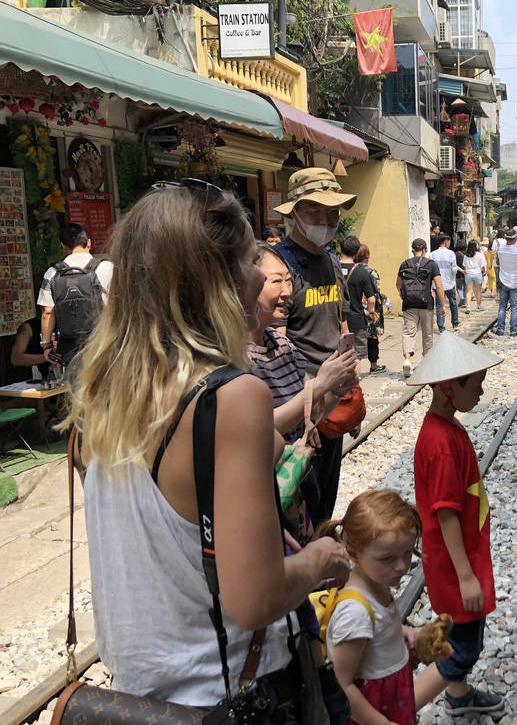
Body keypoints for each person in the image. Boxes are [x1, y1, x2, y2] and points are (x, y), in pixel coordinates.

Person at [63, 182, 352, 707]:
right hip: (230, 691)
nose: (262, 275)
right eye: (248, 261)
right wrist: (322, 560)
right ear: (212, 278)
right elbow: (256, 595)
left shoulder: (100, 394)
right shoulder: (233, 396)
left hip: (141, 696)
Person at [407, 333, 505, 717]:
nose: (481, 391)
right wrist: (466, 575)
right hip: (455, 564)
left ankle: (459, 696)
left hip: (455, 559)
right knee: (462, 647)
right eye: (476, 385)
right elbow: (446, 513)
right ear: (449, 388)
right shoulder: (442, 443)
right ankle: (399, 713)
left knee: (457, 628)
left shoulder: (443, 429)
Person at [273, 167, 356, 526]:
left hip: (331, 406)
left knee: (325, 504)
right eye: (315, 211)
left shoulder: (332, 262)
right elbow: (269, 342)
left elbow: (341, 322)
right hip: (297, 412)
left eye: (332, 212)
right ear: (293, 213)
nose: (326, 219)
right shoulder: (279, 266)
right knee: (298, 511)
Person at [321, 489, 430, 725]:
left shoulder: (374, 583)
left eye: (407, 552)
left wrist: (401, 632)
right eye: (387, 558)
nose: (402, 566)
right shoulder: (355, 613)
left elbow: (377, 625)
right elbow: (342, 682)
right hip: (373, 710)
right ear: (353, 554)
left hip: (390, 695)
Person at [248, 243, 358, 442]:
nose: (288, 291)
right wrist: (320, 385)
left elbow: (314, 409)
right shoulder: (232, 356)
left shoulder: (282, 343)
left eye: (289, 280)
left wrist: (335, 389)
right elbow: (255, 430)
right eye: (276, 281)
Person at [38, 223, 114, 366]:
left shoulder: (52, 273)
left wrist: (47, 345)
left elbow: (47, 311)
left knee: (76, 386)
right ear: (89, 243)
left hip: (70, 344)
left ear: (63, 247)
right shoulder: (107, 268)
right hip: (104, 339)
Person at [397, 238, 446, 377]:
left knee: (408, 332)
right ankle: (427, 362)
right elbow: (439, 286)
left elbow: (398, 284)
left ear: (413, 249)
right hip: (426, 304)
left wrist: (402, 294)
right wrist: (443, 305)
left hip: (409, 304)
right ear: (426, 250)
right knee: (427, 333)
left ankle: (407, 359)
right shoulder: (431, 265)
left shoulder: (404, 264)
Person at [337, 236, 377, 373]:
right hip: (356, 318)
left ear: (340, 249)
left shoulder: (331, 269)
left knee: (336, 354)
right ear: (356, 252)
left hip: (334, 318)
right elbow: (371, 299)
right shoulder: (362, 272)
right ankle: (355, 386)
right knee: (356, 356)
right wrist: (370, 311)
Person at [493, 228, 517, 337]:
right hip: (515, 282)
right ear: (515, 238)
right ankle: (513, 330)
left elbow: (511, 245)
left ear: (505, 238)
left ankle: (500, 329)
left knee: (502, 306)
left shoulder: (500, 249)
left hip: (503, 282)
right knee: (514, 306)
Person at [355, 244, 387, 374]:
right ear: (367, 255)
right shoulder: (371, 272)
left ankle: (356, 367)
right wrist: (384, 300)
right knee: (372, 338)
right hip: (370, 309)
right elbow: (375, 293)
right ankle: (373, 366)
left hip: (355, 309)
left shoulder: (350, 269)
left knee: (355, 339)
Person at [431, 235, 461, 333]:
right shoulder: (451, 253)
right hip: (449, 282)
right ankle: (455, 322)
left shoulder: (432, 254)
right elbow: (454, 269)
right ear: (446, 241)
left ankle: (441, 326)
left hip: (438, 283)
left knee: (439, 305)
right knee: (453, 303)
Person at [10, 316, 52, 380]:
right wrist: (49, 357)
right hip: (38, 378)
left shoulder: (65, 324)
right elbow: (15, 358)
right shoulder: (28, 327)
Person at [462, 240, 487, 314]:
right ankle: (478, 306)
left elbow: (465, 267)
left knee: (469, 291)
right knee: (478, 291)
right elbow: (482, 266)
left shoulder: (466, 255)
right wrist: (484, 272)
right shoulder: (479, 255)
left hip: (468, 274)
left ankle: (468, 306)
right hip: (477, 273)